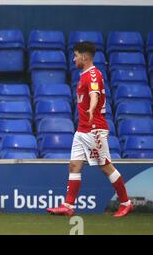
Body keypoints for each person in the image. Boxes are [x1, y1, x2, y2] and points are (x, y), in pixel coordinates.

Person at [46, 42, 134, 217]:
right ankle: (68, 205)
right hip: (82, 129)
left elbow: (94, 95)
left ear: (84, 57)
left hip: (94, 129)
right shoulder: (84, 74)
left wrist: (92, 109)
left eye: (76, 55)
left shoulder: (93, 75)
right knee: (74, 165)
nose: (74, 59)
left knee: (105, 166)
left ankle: (126, 203)